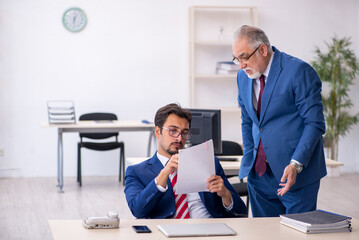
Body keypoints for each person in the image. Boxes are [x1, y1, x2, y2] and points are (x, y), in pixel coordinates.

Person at [232, 25, 327, 217]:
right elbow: (247, 121)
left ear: (263, 50)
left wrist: (296, 164)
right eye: (237, 59)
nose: (241, 65)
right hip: (258, 175)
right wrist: (249, 156)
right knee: (264, 234)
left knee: (296, 233)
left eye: (244, 57)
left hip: (295, 175)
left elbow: (314, 123)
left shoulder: (298, 71)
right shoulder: (243, 77)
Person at [124, 103, 247, 219]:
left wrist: (225, 194)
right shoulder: (136, 171)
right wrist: (164, 174)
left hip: (209, 229)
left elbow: (241, 211)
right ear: (158, 131)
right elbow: (138, 211)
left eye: (184, 133)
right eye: (172, 130)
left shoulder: (208, 162)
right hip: (168, 232)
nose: (179, 138)